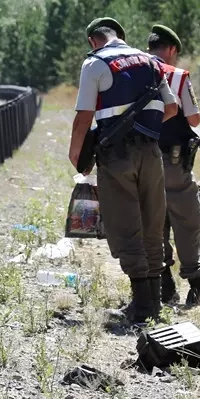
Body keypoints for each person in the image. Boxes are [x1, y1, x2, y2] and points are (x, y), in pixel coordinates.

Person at [68, 17, 178, 324]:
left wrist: (76, 153)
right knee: (153, 224)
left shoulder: (96, 63)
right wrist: (144, 126)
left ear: (93, 40)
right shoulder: (151, 62)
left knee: (125, 225)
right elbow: (171, 109)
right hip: (152, 151)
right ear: (121, 36)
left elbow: (83, 115)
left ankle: (141, 306)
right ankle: (154, 303)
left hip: (117, 156)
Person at [146, 24, 200, 306]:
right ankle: (196, 285)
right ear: (170, 49)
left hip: (141, 161)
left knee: (153, 222)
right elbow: (194, 119)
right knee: (187, 220)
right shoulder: (177, 76)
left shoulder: (131, 72)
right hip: (172, 163)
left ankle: (164, 285)